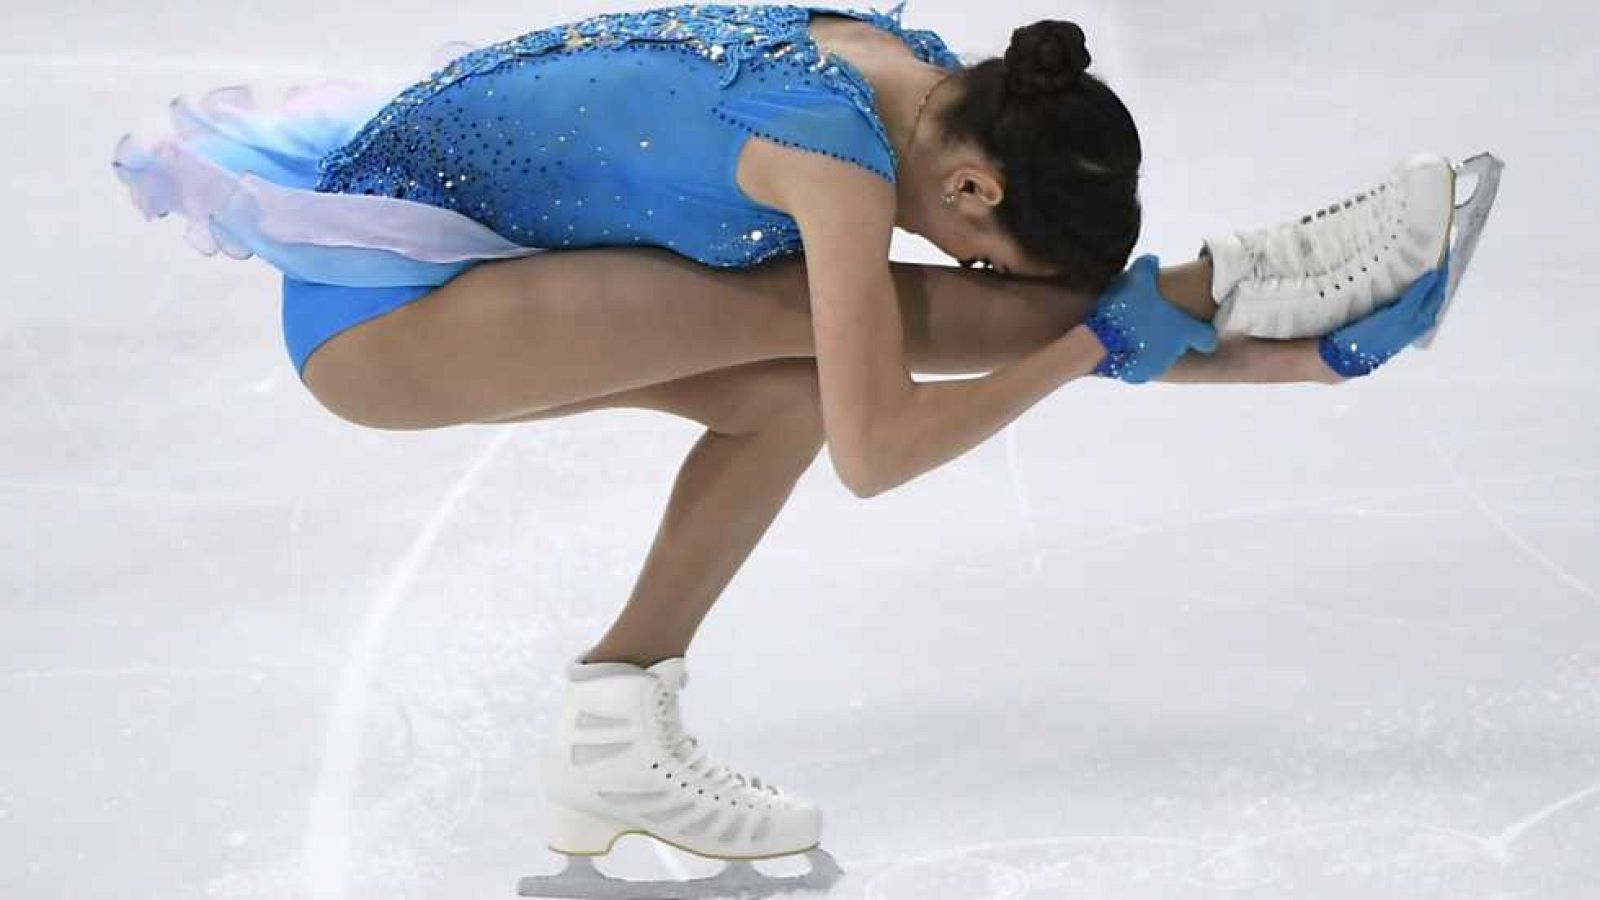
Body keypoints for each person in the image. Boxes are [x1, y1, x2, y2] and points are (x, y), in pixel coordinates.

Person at [112, 4, 1482, 896]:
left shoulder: (911, 73)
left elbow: (867, 377)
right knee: (826, 340)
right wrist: (1093, 345)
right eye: (982, 252)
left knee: (786, 381)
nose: (968, 265)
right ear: (974, 186)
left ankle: (614, 726)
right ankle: (1234, 304)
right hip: (389, 318)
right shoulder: (828, 153)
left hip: (473, 267)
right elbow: (879, 448)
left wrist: (1176, 344)